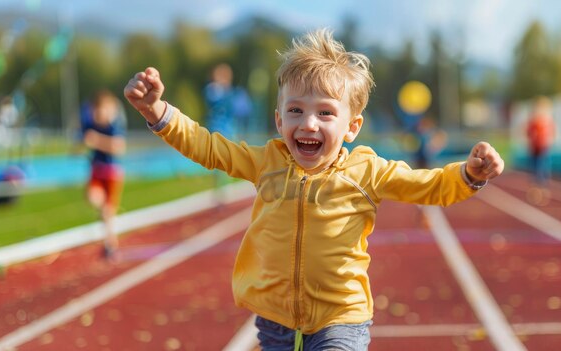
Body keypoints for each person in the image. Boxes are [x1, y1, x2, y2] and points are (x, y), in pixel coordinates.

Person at [124, 29, 504, 351]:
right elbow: (208, 147)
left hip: (342, 317)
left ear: (352, 127)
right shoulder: (267, 163)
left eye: (325, 113)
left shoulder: (366, 170)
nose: (308, 124)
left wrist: (468, 174)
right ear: (278, 119)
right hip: (275, 320)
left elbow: (429, 185)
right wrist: (158, 112)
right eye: (295, 111)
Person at [81, 90, 127, 260]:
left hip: (113, 172)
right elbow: (83, 140)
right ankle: (110, 239)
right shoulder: (90, 123)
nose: (97, 115)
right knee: (94, 198)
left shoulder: (114, 126)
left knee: (108, 211)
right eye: (95, 112)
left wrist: (97, 141)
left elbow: (119, 147)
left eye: (101, 111)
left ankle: (110, 244)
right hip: (96, 169)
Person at [203, 63, 252, 203]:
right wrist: (231, 95)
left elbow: (242, 110)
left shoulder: (231, 91)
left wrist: (238, 96)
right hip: (217, 128)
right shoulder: (213, 89)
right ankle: (219, 190)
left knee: (231, 158)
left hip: (230, 129)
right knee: (219, 159)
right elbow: (216, 100)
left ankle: (225, 187)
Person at [525, 96, 555, 205]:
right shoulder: (534, 121)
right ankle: (536, 191)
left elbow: (551, 133)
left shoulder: (547, 121)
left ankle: (543, 191)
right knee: (535, 170)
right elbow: (528, 132)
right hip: (535, 149)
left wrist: (548, 141)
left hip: (544, 148)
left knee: (543, 170)